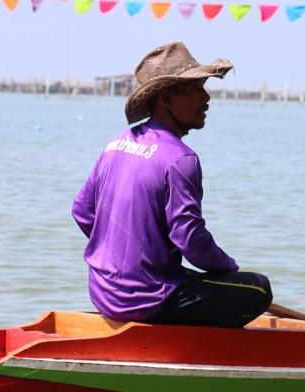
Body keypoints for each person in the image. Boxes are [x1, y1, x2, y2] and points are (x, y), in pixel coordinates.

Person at [72, 41, 272, 328]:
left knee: (195, 279)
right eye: (194, 89)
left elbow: (82, 211)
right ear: (165, 98)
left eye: (203, 87)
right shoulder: (181, 159)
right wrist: (227, 268)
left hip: (103, 293)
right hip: (146, 299)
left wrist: (118, 259)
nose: (206, 98)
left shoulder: (116, 144)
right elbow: (190, 240)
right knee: (257, 290)